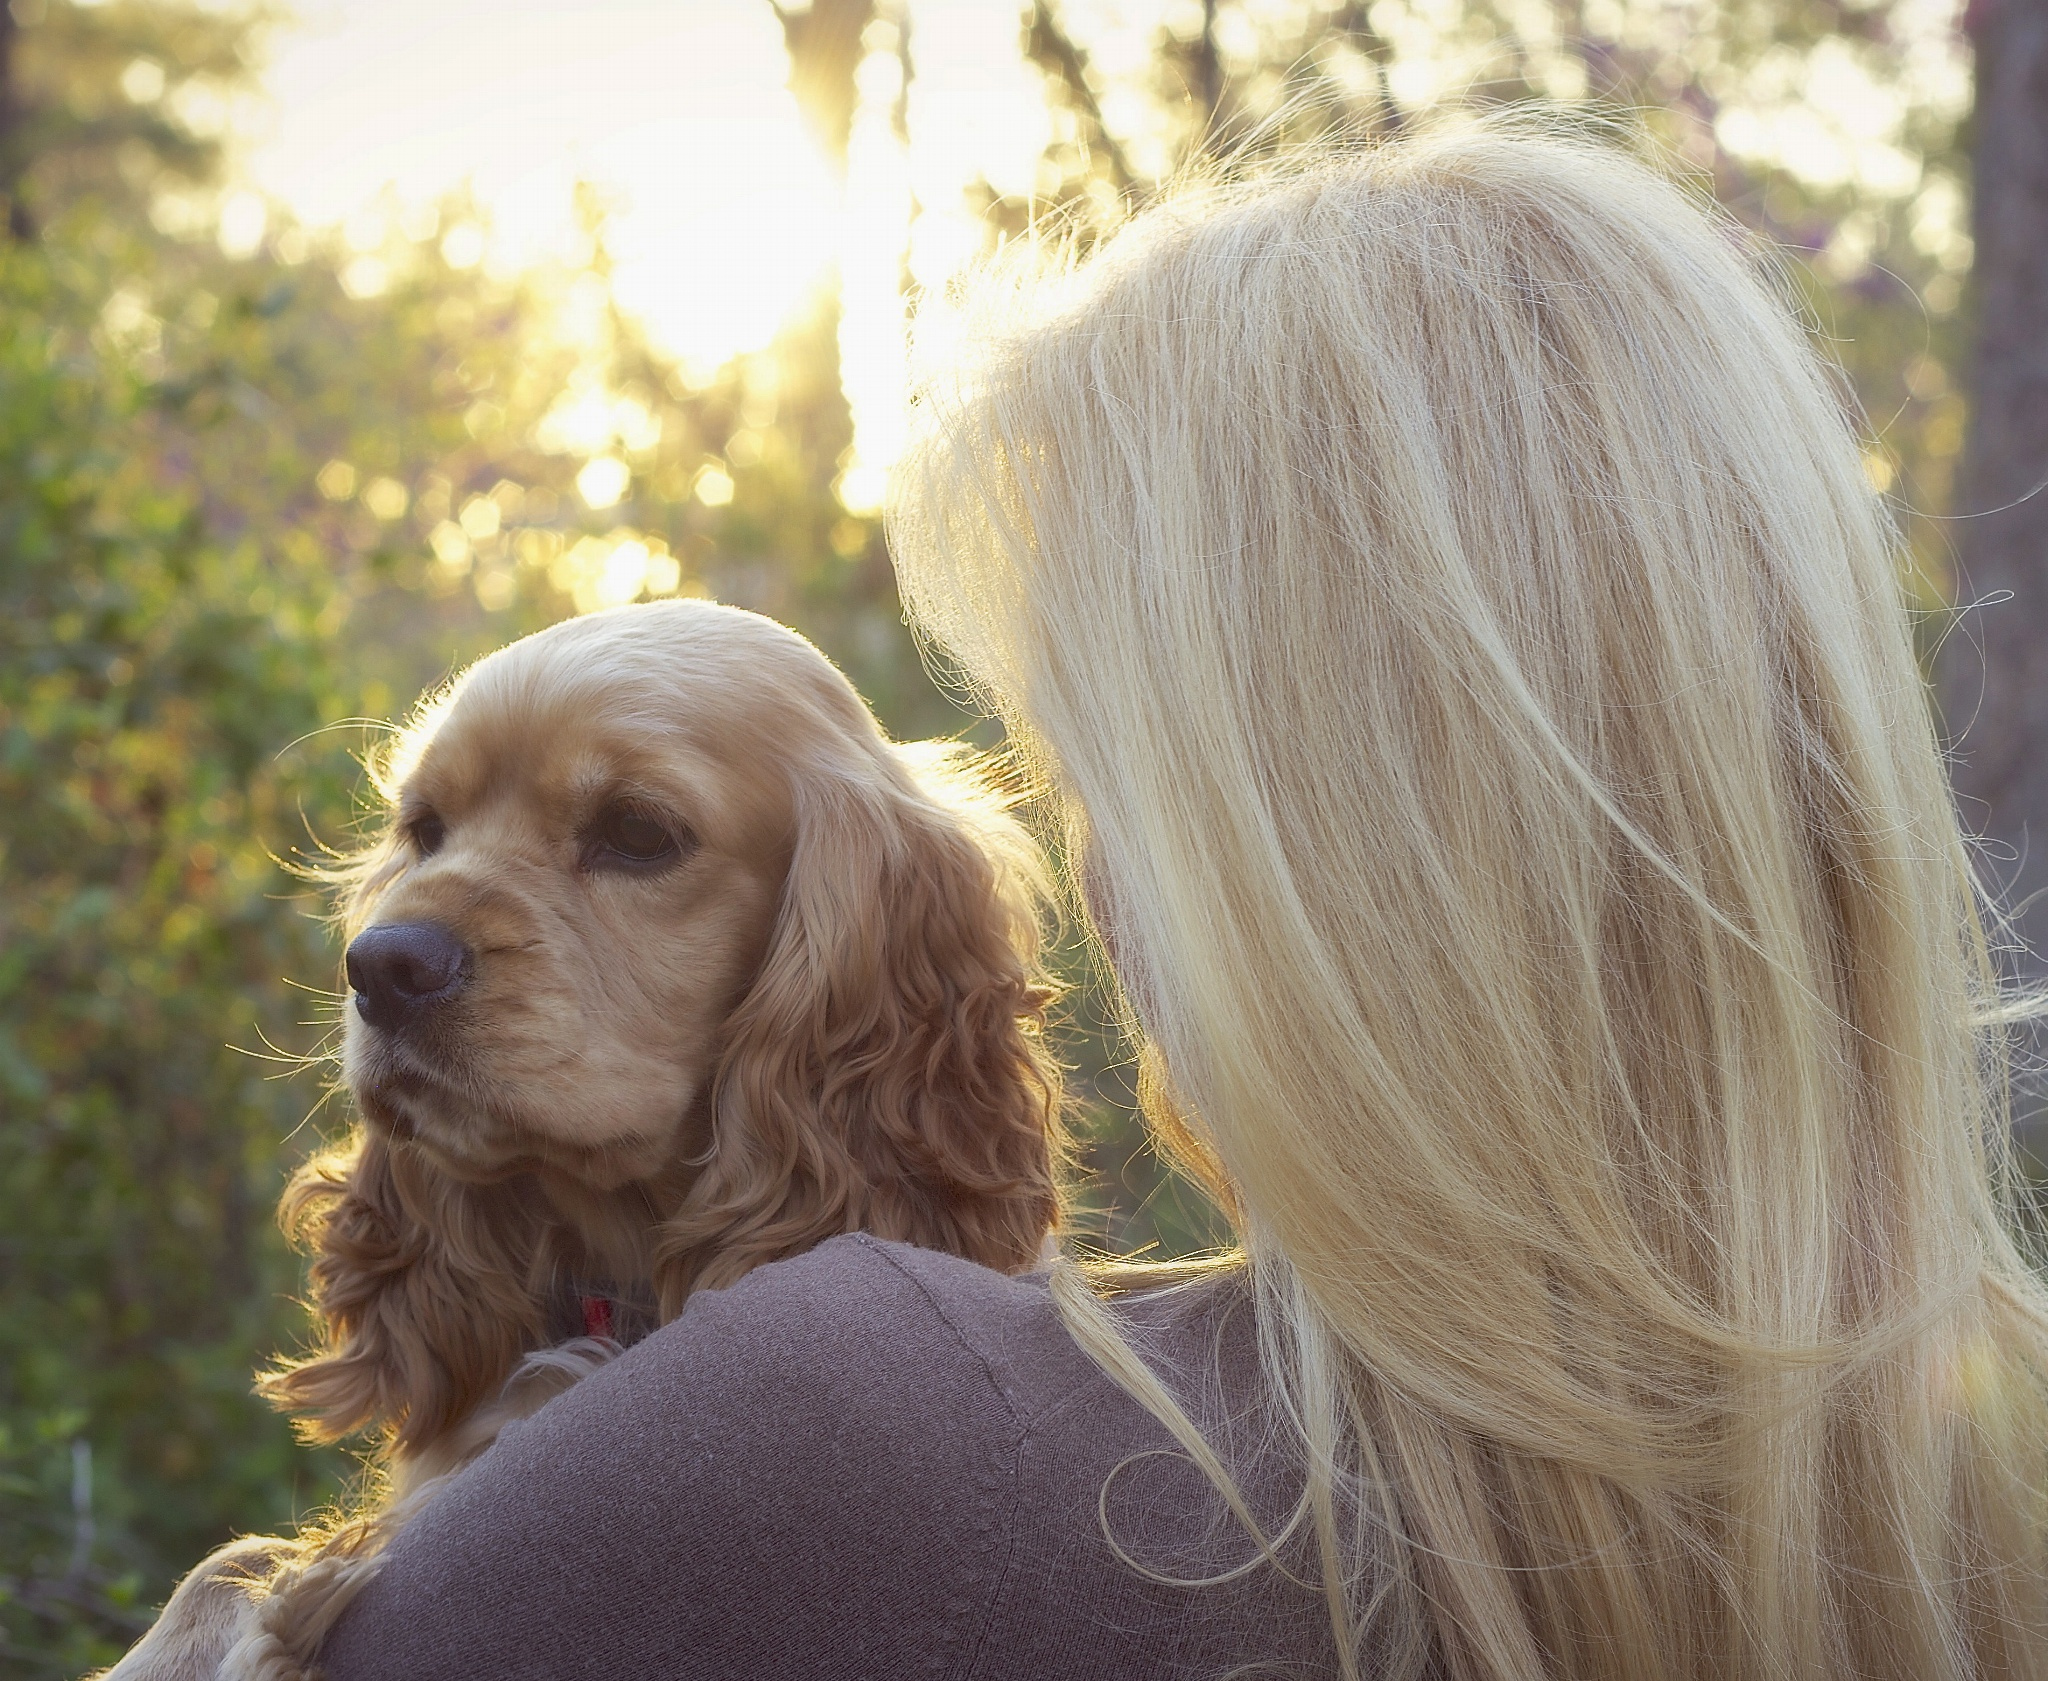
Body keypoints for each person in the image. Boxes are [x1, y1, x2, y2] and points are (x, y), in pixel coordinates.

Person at [319, 120, 2048, 1681]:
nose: (1091, 881)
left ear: (1295, 861)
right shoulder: (1985, 1470)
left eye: (1092, 775)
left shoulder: (838, 1422)